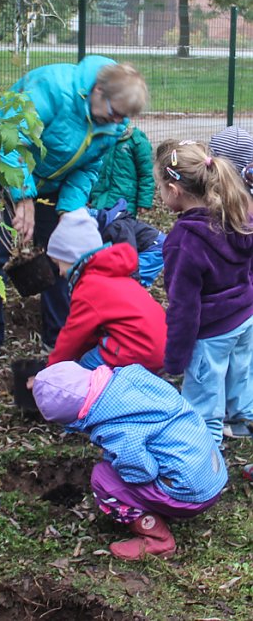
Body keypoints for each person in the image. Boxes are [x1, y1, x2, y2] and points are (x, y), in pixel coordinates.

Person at [0, 56, 148, 350]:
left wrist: (68, 210)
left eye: (124, 117)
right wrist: (23, 197)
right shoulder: (53, 88)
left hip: (49, 183)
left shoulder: (111, 124)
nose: (118, 122)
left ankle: (59, 341)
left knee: (60, 254)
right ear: (99, 90)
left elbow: (87, 168)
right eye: (116, 113)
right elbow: (8, 141)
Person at [31, 361, 228, 560]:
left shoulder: (116, 430)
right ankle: (160, 500)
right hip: (213, 471)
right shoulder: (132, 376)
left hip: (191, 494)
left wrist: (116, 462)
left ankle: (157, 538)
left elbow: (143, 472)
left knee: (102, 479)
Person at [154, 139, 253, 444]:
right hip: (246, 317)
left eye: (160, 187)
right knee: (241, 372)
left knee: (204, 390)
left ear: (174, 190)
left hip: (211, 331)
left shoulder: (183, 241)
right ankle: (241, 421)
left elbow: (184, 308)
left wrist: (175, 359)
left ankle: (204, 446)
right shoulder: (237, 216)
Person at [45, 208, 166, 371]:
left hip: (140, 350)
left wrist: (51, 371)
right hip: (161, 344)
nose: (59, 271)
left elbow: (73, 336)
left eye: (59, 263)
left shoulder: (88, 288)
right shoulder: (112, 273)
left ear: (72, 258)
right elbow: (89, 333)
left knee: (83, 369)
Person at [89, 198, 165, 287]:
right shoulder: (105, 226)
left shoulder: (117, 226)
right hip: (143, 246)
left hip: (154, 248)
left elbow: (129, 253)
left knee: (130, 282)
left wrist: (133, 278)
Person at [89, 122, 154, 216]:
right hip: (100, 199)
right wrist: (89, 196)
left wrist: (144, 202)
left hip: (125, 201)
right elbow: (92, 169)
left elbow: (146, 174)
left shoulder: (137, 141)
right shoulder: (102, 138)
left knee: (119, 228)